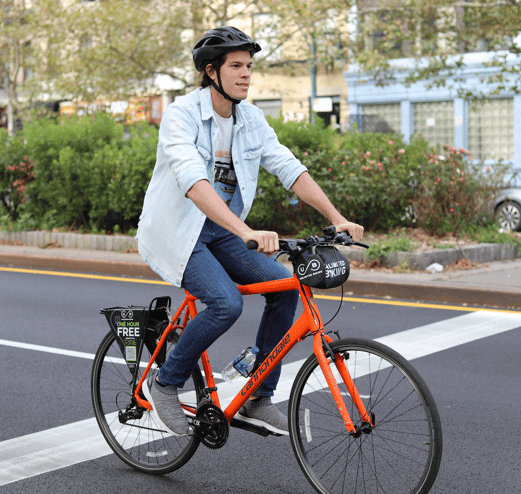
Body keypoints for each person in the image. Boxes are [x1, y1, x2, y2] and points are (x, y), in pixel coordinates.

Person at [136, 26, 364, 436]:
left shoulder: (251, 118)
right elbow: (192, 181)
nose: (246, 74)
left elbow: (289, 168)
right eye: (236, 66)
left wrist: (336, 217)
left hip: (223, 231)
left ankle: (258, 396)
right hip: (179, 230)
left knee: (289, 287)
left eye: (249, 66)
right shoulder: (181, 115)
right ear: (211, 71)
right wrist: (246, 230)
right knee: (226, 304)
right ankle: (164, 383)